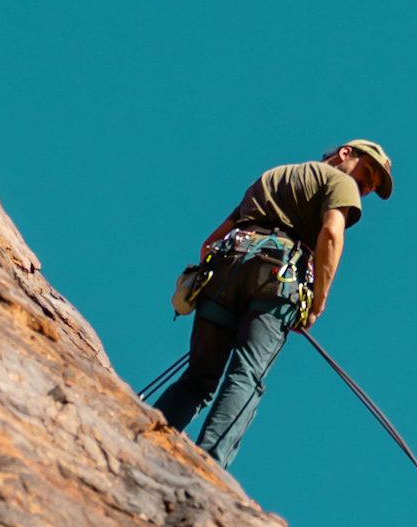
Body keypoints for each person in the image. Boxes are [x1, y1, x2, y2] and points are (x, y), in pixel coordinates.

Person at [152, 139, 395, 469]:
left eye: (370, 186)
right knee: (247, 374)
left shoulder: (272, 177)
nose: (364, 187)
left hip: (224, 269)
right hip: (275, 279)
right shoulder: (341, 182)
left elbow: (209, 243)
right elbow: (332, 235)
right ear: (345, 154)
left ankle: (148, 436)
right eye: (367, 174)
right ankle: (207, 464)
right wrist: (317, 302)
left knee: (198, 377)